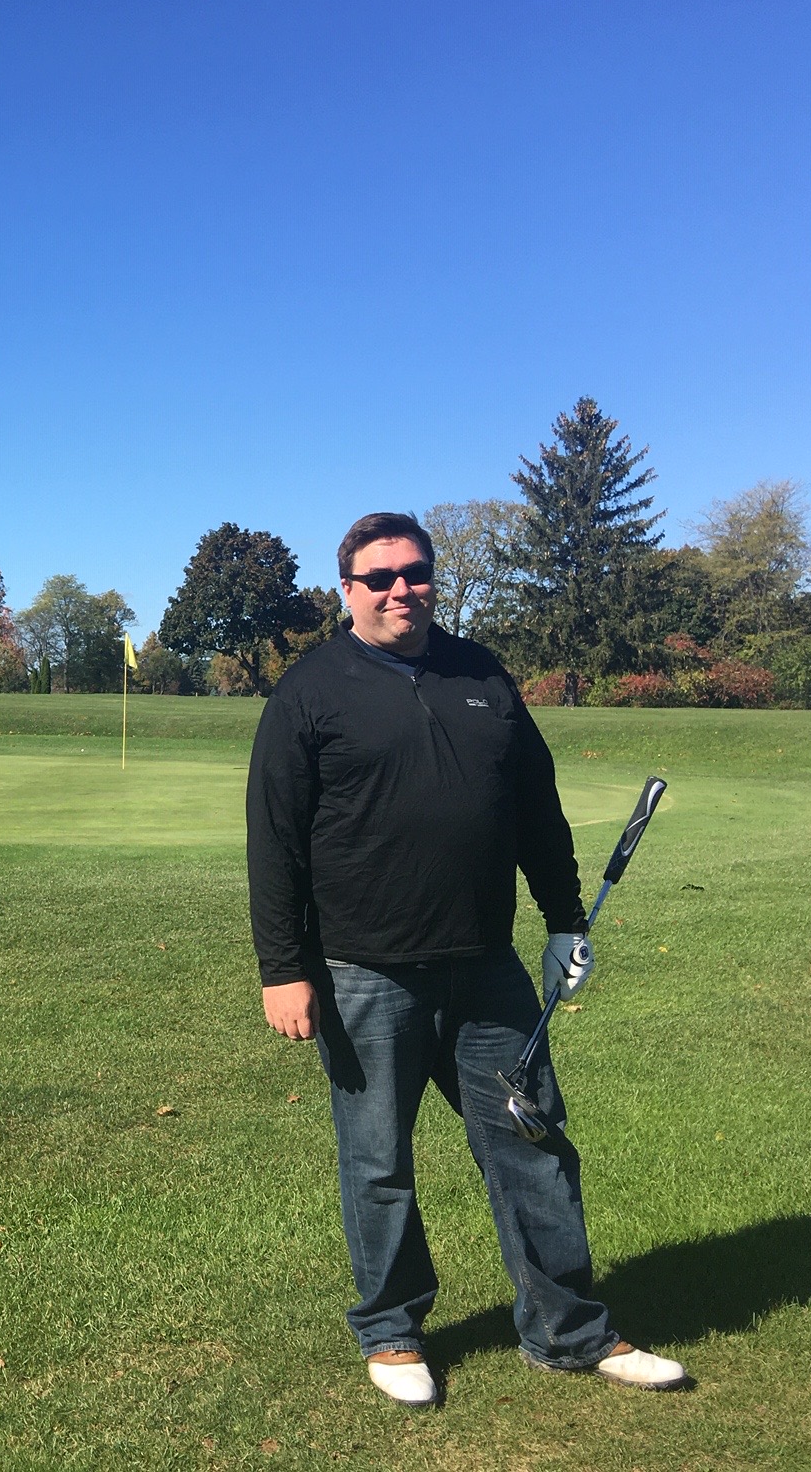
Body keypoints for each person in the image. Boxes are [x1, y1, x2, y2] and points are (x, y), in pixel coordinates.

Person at [245, 510, 687, 1407]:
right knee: (378, 1162)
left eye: (416, 572)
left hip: (488, 969)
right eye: (380, 577)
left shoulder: (481, 673)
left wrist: (564, 919)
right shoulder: (309, 691)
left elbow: (535, 805)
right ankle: (393, 1333)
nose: (401, 589)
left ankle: (569, 1331)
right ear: (349, 590)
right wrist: (282, 967)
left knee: (533, 1147)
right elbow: (274, 841)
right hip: (365, 973)